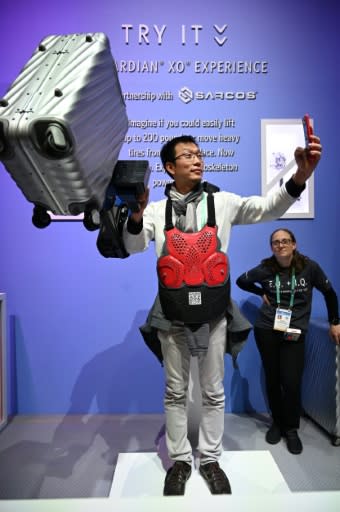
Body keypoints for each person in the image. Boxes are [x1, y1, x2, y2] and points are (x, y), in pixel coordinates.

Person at [122, 133, 322, 495]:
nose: (197, 160)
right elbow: (134, 245)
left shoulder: (223, 201)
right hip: (172, 312)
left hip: (215, 310)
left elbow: (267, 208)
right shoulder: (154, 210)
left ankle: (210, 459)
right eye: (187, 156)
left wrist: (299, 178)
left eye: (199, 154)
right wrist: (136, 215)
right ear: (170, 167)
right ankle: (180, 461)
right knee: (175, 392)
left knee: (214, 392)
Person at [236, 228, 340, 454]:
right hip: (267, 330)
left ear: (294, 244)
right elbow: (240, 281)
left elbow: (330, 293)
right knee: (273, 379)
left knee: (291, 382)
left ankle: (291, 429)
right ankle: (277, 423)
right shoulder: (266, 268)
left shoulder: (309, 267)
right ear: (271, 247)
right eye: (275, 242)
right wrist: (259, 291)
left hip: (295, 331)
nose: (280, 245)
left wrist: (335, 321)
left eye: (285, 241)